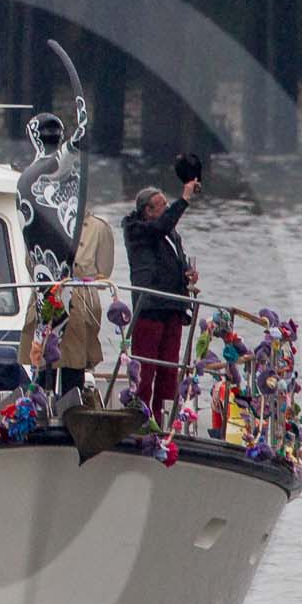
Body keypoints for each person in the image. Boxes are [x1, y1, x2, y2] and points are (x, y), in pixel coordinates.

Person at [121, 178, 201, 426]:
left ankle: (164, 415)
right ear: (148, 210)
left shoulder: (171, 234)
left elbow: (176, 257)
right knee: (146, 369)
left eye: (168, 204)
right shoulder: (137, 229)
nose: (167, 209)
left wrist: (187, 273)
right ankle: (142, 417)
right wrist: (184, 199)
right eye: (161, 205)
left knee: (169, 368)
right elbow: (160, 227)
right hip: (151, 307)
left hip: (172, 307)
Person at [18, 212, 115, 398]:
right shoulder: (39, 222)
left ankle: (72, 411)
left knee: (74, 365)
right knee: (42, 364)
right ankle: (37, 409)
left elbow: (104, 272)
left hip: (80, 301)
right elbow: (31, 263)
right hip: (46, 296)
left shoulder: (98, 227)